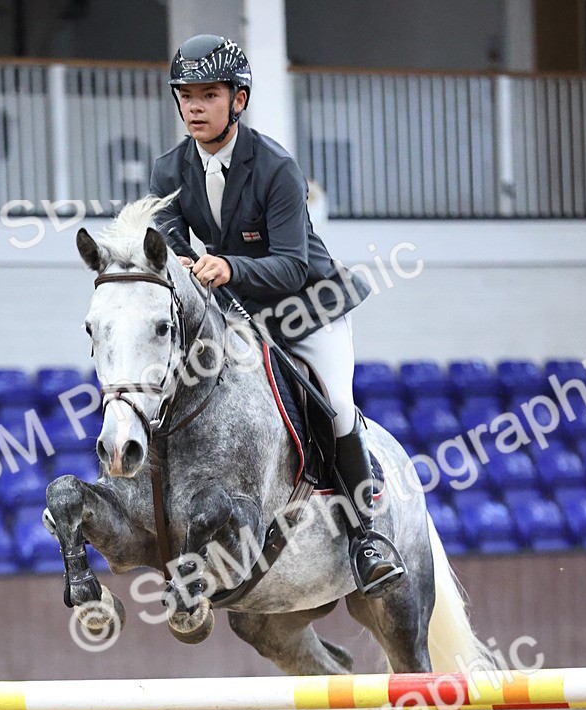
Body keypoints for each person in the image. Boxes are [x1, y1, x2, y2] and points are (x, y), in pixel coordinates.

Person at [149, 33, 405, 597]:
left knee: (336, 405)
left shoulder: (276, 168)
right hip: (240, 318)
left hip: (308, 308)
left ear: (237, 100)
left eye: (208, 94)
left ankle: (370, 538)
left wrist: (227, 269)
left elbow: (290, 266)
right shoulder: (169, 172)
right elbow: (169, 254)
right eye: (185, 95)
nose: (194, 106)